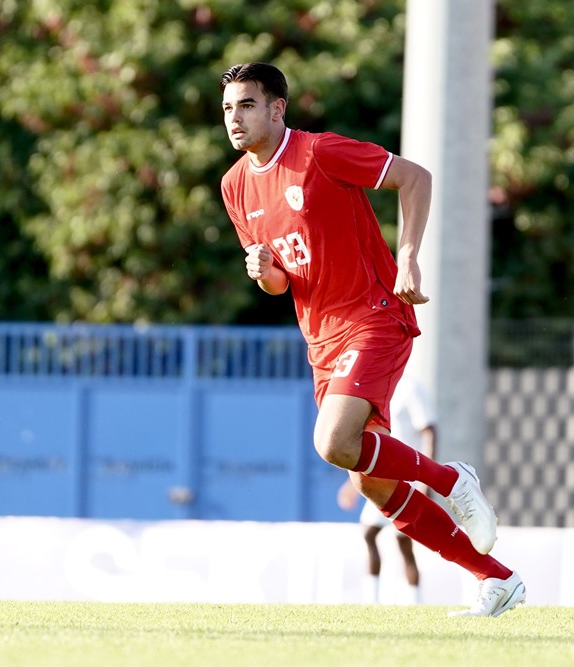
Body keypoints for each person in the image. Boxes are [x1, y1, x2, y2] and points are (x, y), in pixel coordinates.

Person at [219, 62, 524, 617]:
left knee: (332, 442)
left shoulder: (319, 152)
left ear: (276, 108)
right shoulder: (235, 185)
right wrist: (263, 272)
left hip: (374, 315)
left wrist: (407, 257)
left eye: (246, 105)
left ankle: (453, 480)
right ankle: (496, 578)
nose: (234, 119)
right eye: (227, 109)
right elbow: (281, 282)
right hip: (323, 341)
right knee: (372, 484)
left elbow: (416, 177)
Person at [338, 373, 437, 605]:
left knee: (403, 541)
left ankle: (414, 600)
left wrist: (427, 478)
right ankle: (373, 598)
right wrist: (351, 486)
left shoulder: (410, 387)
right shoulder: (377, 387)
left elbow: (430, 430)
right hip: (381, 476)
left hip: (406, 474)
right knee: (370, 532)